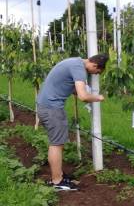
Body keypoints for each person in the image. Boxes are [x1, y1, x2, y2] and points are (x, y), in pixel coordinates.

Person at [37, 54, 108, 191]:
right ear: (94, 65)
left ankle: (59, 176)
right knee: (56, 144)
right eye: (97, 72)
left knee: (57, 143)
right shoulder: (79, 68)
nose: (95, 75)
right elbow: (82, 96)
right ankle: (57, 182)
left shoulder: (74, 62)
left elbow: (74, 89)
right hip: (52, 109)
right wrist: (98, 97)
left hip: (46, 106)